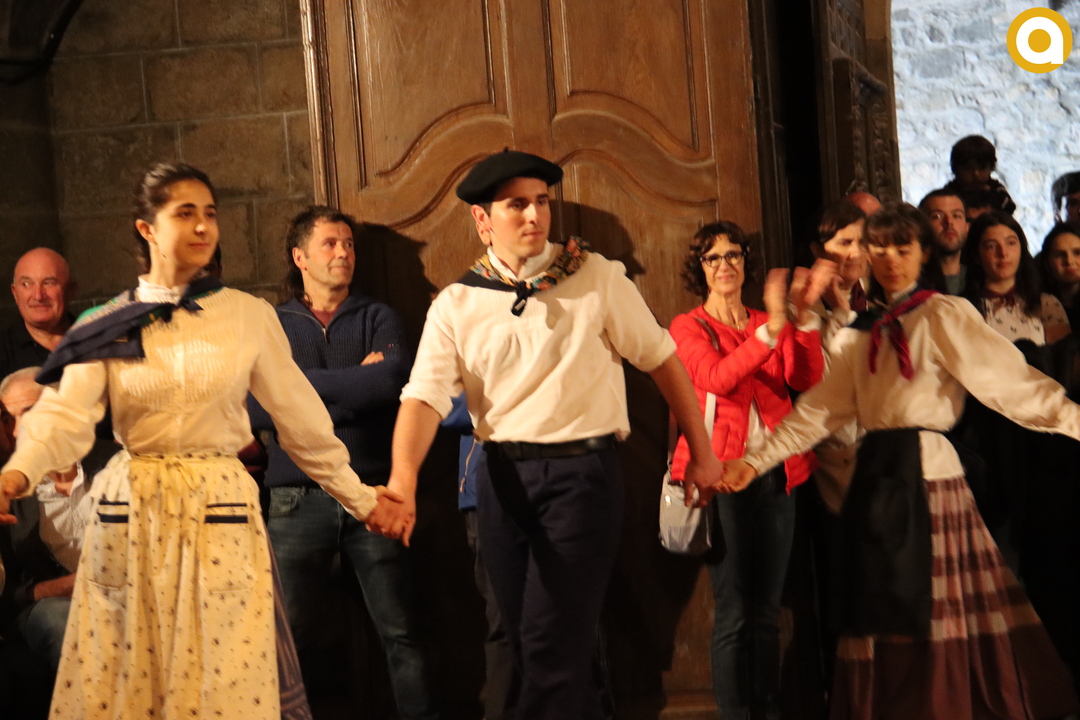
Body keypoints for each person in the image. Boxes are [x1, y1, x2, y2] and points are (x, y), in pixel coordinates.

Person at [0, 162, 407, 720]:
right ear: (147, 228)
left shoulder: (246, 316)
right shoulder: (108, 322)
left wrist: (362, 499)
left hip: (219, 510)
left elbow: (302, 423)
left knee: (225, 681)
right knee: (134, 682)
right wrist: (16, 473)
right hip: (134, 515)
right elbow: (65, 417)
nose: (202, 226)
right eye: (184, 213)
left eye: (210, 214)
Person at [377, 149, 722, 720]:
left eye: (541, 201)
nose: (535, 215)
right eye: (517, 205)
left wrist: (702, 454)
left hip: (581, 476)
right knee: (527, 644)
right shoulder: (459, 302)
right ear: (483, 219)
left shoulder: (596, 277)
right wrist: (402, 481)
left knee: (549, 645)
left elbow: (664, 361)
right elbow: (422, 398)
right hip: (501, 478)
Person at [721, 203, 1079, 720]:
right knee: (880, 607)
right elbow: (821, 410)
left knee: (930, 606)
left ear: (923, 254)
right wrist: (755, 462)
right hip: (876, 481)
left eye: (903, 249)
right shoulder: (860, 331)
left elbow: (1010, 384)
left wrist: (1073, 420)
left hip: (929, 478)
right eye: (879, 249)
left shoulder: (941, 315)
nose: (890, 260)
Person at [248, 205, 437, 719]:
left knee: (402, 632)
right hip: (295, 498)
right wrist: (353, 384)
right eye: (330, 244)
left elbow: (390, 384)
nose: (343, 253)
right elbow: (255, 406)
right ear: (300, 257)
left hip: (372, 492)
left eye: (349, 244)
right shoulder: (274, 323)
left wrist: (296, 390)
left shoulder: (379, 316)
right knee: (287, 636)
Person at [669, 221, 827, 720]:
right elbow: (716, 377)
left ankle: (768, 709)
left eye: (733, 254)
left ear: (745, 261)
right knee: (734, 612)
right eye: (713, 257)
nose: (725, 265)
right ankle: (736, 714)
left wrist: (803, 322)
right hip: (721, 479)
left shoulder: (765, 319)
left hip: (778, 473)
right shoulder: (687, 326)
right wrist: (772, 331)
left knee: (767, 610)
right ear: (700, 268)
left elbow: (805, 377)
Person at [0, 368, 93, 672]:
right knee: (62, 621)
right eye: (8, 419)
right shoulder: (6, 492)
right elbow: (6, 592)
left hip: (131, 593)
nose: (17, 431)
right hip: (49, 607)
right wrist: (56, 588)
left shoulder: (115, 463)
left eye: (29, 412)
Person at [441, 393, 518, 720]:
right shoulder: (462, 353)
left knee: (559, 615)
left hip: (554, 483)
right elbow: (447, 408)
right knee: (501, 621)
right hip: (484, 493)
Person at [0, 248, 76, 380]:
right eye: (26, 284)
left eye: (48, 283)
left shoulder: (97, 342)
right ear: (15, 293)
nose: (38, 296)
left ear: (70, 290)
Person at [943, 134, 1016, 214]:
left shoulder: (997, 190)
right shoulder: (949, 194)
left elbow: (1009, 209)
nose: (976, 174)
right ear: (956, 169)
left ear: (991, 167)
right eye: (968, 168)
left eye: (982, 168)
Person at [918, 188, 968, 295]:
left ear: (966, 227)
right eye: (937, 216)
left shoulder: (980, 280)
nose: (949, 222)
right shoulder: (911, 284)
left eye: (956, 215)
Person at [1038, 221, 1080, 332]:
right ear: (1047, 263)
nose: (1069, 261)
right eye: (1060, 255)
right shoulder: (1037, 305)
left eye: (1077, 253)